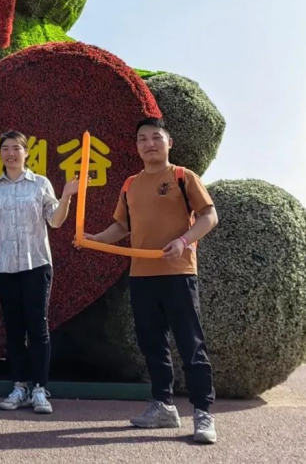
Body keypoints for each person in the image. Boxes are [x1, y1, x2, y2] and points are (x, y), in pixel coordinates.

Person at [83, 117, 218, 444]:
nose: (149, 144)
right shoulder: (130, 184)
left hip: (178, 272)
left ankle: (203, 412)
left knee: (190, 344)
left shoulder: (183, 177)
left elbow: (209, 216)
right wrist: (95, 239)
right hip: (142, 275)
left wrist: (183, 241)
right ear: (137, 146)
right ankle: (163, 407)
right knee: (152, 344)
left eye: (156, 137)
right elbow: (122, 227)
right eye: (142, 139)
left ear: (168, 143)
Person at [0, 130, 80, 415]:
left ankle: (39, 389)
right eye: (5, 148)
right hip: (4, 266)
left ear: (26, 153)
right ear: (0, 154)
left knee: (38, 327)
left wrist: (66, 196)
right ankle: (19, 387)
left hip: (36, 264)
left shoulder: (40, 183)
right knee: (14, 329)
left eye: (16, 148)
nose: (11, 153)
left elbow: (55, 221)